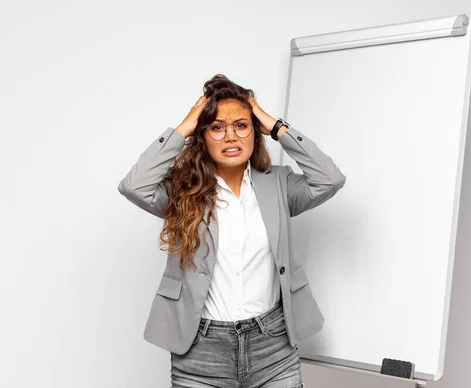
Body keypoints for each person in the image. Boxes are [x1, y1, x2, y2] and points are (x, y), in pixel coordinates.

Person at [118, 74, 346, 388]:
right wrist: (184, 126)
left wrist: (275, 124)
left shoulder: (279, 185)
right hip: (200, 351)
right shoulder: (182, 191)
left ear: (255, 132)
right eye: (217, 127)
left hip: (273, 347)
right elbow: (134, 186)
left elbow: (329, 179)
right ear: (202, 135)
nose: (230, 137)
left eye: (241, 124)